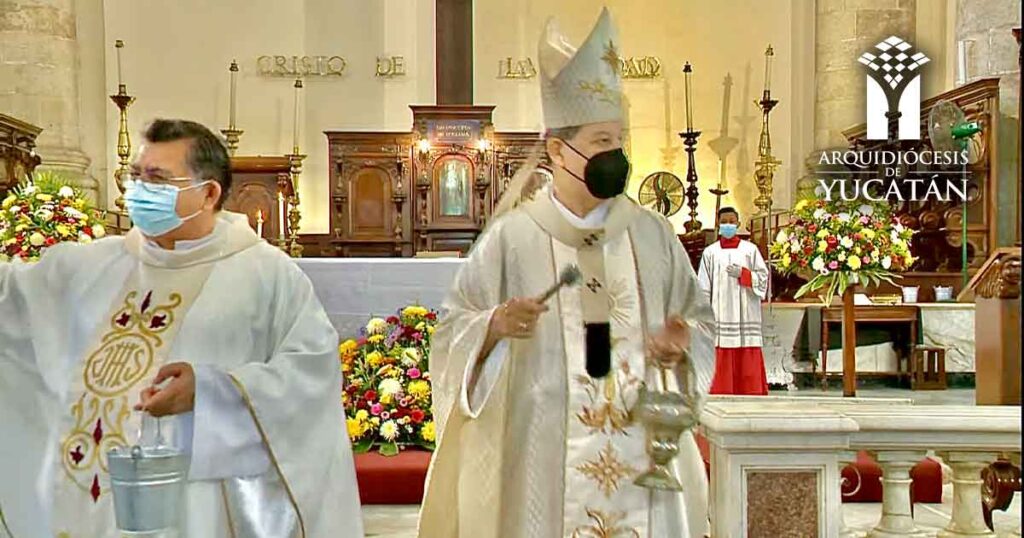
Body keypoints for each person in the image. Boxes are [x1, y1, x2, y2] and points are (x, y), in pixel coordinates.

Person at [418, 9, 716, 538]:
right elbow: (452, 330)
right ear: (558, 149)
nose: (616, 155)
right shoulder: (513, 238)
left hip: (643, 445)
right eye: (602, 142)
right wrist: (493, 325)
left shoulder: (653, 235)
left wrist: (682, 342)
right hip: (541, 450)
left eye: (619, 140)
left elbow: (695, 317)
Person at [0, 119, 363, 537]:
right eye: (135, 176)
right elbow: (12, 305)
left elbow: (311, 373)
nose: (138, 191)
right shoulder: (89, 265)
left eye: (156, 179)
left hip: (204, 504)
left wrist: (209, 391)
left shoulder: (266, 275)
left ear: (208, 193)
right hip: (92, 502)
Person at [697, 206, 770, 395]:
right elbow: (703, 285)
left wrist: (744, 274)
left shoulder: (750, 250)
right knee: (721, 347)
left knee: (746, 347)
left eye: (731, 221)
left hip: (746, 310)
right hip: (720, 311)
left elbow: (763, 277)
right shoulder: (710, 253)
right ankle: (721, 390)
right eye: (724, 222)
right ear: (718, 225)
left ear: (738, 224)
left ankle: (750, 391)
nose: (728, 225)